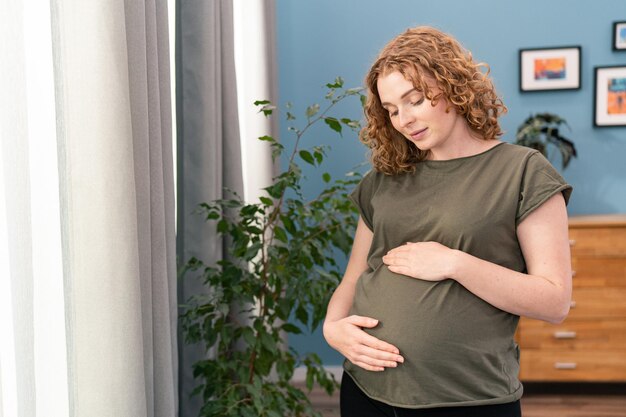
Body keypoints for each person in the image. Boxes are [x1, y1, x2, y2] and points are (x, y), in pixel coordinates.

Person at [322, 26, 573, 417]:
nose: (403, 119)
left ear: (454, 87)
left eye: (415, 100)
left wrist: (454, 263)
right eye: (391, 110)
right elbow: (355, 276)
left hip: (467, 399)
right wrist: (332, 327)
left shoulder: (523, 171)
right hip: (365, 387)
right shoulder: (384, 179)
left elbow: (554, 300)